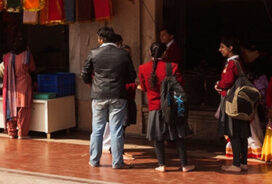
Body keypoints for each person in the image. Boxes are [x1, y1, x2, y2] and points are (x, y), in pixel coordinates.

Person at [81, 26, 136, 169]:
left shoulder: (93, 53)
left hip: (98, 95)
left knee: (97, 129)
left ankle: (94, 160)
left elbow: (84, 74)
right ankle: (117, 162)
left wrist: (92, 84)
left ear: (101, 39)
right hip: (118, 95)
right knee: (116, 129)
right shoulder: (123, 54)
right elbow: (132, 76)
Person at [138, 41, 193, 172]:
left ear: (150, 52)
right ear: (165, 53)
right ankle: (184, 165)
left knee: (158, 138)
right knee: (178, 136)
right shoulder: (173, 66)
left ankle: (161, 165)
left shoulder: (143, 68)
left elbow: (144, 87)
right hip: (172, 107)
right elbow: (180, 86)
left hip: (155, 107)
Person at [215, 35, 251, 173]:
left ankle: (236, 164)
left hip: (232, 102)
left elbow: (227, 82)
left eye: (222, 47)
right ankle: (243, 163)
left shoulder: (231, 63)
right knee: (242, 133)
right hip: (241, 102)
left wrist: (218, 85)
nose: (220, 50)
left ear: (230, 48)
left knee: (234, 132)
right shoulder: (240, 61)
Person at [1, 36, 35, 140]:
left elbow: (4, 68)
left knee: (11, 107)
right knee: (23, 109)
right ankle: (22, 133)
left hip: (10, 85)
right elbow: (32, 68)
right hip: (24, 84)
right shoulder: (27, 55)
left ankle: (12, 132)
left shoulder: (7, 56)